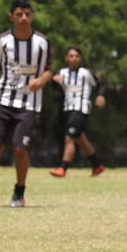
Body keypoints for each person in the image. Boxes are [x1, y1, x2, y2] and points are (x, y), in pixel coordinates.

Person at [0, 0, 53, 207]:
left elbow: (49, 70)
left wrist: (41, 80)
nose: (24, 18)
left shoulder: (42, 42)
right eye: (19, 14)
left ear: (32, 16)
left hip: (28, 103)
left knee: (19, 148)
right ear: (12, 17)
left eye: (27, 14)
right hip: (3, 99)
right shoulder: (1, 41)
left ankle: (19, 193)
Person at [49, 46, 106, 178]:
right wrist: (54, 81)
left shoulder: (86, 73)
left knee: (69, 137)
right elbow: (54, 89)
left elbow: (99, 84)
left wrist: (100, 96)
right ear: (66, 58)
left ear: (80, 58)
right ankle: (97, 165)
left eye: (76, 56)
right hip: (68, 109)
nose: (74, 58)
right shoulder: (62, 72)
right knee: (80, 139)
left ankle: (62, 169)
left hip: (81, 109)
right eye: (71, 56)